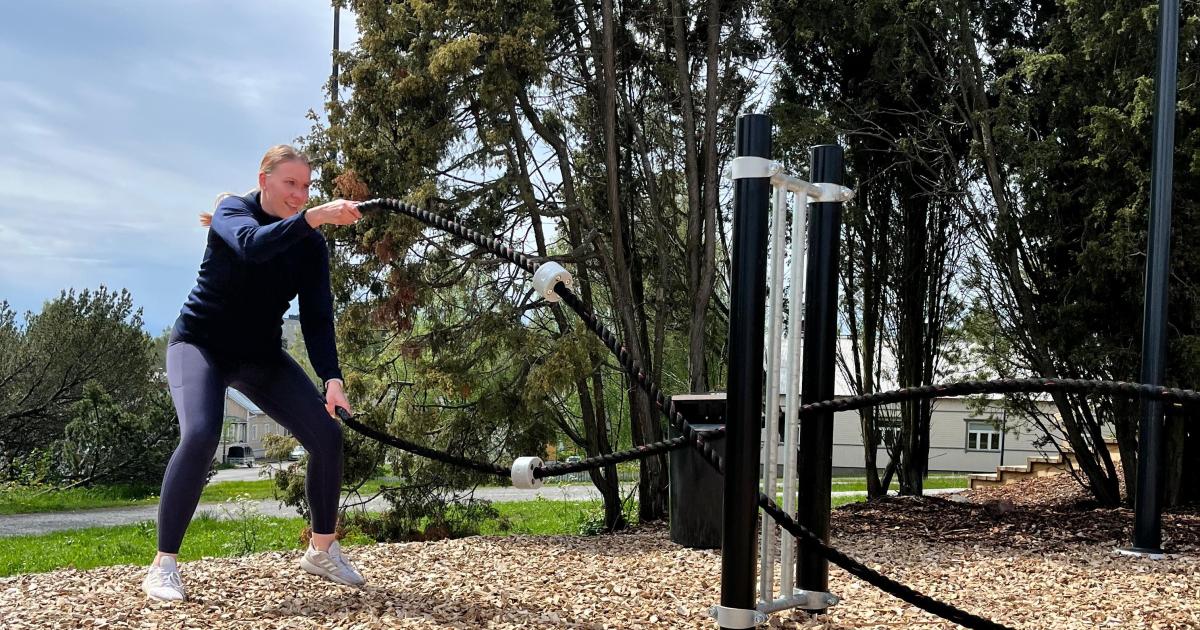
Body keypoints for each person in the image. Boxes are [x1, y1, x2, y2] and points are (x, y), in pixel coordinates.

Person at [142, 145, 366, 601]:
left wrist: (332, 379)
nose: (300, 194)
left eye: (306, 186)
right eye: (290, 183)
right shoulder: (233, 211)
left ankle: (322, 550)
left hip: (261, 356)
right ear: (264, 180)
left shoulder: (310, 244)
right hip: (200, 346)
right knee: (201, 434)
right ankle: (163, 565)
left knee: (327, 437)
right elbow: (252, 246)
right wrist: (313, 217)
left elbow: (317, 318)